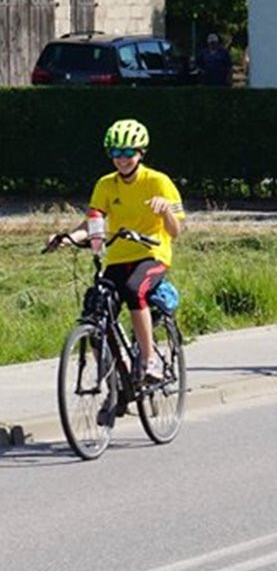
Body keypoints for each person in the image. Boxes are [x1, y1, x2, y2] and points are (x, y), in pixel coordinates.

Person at [47, 119, 185, 381]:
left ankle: (149, 360)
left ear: (141, 153)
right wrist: (67, 238)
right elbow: (92, 222)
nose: (121, 159)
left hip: (151, 255)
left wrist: (165, 209)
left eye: (127, 153)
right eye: (115, 153)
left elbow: (175, 232)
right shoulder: (106, 185)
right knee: (95, 310)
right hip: (117, 258)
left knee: (135, 290)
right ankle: (116, 376)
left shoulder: (158, 181)